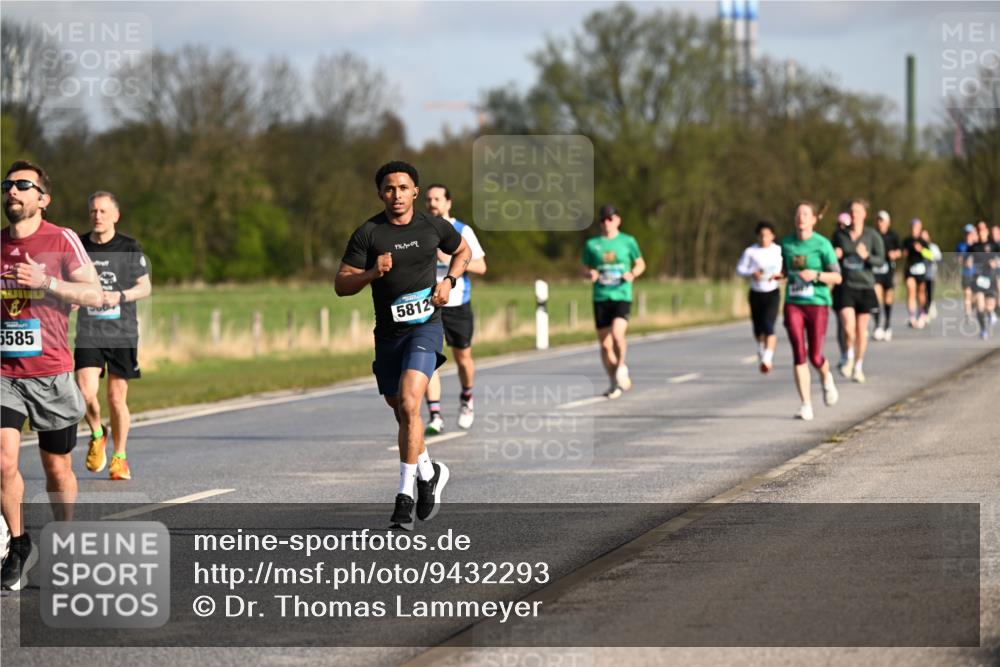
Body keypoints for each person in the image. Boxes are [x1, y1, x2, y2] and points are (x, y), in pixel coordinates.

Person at [335, 161, 471, 531]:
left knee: (412, 404)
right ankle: (429, 472)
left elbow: (463, 251)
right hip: (388, 335)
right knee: (402, 413)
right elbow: (341, 284)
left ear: (415, 192)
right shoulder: (369, 233)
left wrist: (449, 282)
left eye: (403, 188)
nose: (397, 195)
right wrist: (371, 273)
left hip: (425, 327)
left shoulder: (432, 226)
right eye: (390, 189)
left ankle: (403, 498)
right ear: (381, 193)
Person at [1, 160, 102, 590]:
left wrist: (48, 283)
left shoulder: (62, 239)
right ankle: (19, 543)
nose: (12, 190)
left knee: (57, 468)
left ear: (43, 198)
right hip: (4, 373)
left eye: (23, 185)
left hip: (51, 373)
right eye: (8, 184)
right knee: (3, 460)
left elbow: (94, 293)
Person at [75, 191, 152, 481]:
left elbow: (144, 287)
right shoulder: (79, 246)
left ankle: (119, 457)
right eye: (93, 211)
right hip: (89, 332)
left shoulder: (129, 247)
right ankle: (98, 433)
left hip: (122, 332)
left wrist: (119, 296)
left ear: (115, 216)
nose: (97, 216)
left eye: (103, 211)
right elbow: (68, 282)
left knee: (116, 398)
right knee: (84, 393)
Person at [422, 184, 486, 435]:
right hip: (428, 305)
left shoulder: (462, 230)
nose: (432, 203)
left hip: (457, 303)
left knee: (463, 358)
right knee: (428, 360)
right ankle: (435, 416)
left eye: (437, 199)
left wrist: (453, 261)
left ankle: (467, 398)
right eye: (428, 199)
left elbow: (481, 266)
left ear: (448, 203)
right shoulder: (420, 230)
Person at [780, 201, 842, 421]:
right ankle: (806, 404)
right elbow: (784, 270)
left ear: (814, 219)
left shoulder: (822, 244)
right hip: (793, 302)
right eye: (798, 214)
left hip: (817, 303)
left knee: (815, 356)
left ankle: (826, 378)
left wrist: (815, 275)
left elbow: (837, 277)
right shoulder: (786, 243)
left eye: (805, 214)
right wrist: (779, 275)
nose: (801, 218)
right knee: (799, 353)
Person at [582, 204, 645, 399]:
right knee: (605, 345)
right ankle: (613, 382)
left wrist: (632, 274)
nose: (606, 223)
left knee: (618, 335)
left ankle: (621, 367)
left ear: (617, 220)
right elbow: (585, 267)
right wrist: (590, 273)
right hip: (601, 296)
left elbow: (640, 263)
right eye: (603, 220)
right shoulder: (592, 244)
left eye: (610, 219)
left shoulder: (628, 241)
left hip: (621, 295)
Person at [831, 199, 885, 384]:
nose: (854, 215)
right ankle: (849, 356)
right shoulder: (840, 235)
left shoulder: (872, 235)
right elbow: (829, 256)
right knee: (848, 326)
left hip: (865, 286)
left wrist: (867, 256)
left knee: (862, 331)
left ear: (864, 214)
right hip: (846, 286)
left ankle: (858, 366)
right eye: (852, 211)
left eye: (858, 211)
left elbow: (881, 260)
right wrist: (835, 256)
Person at [735, 220, 783, 373]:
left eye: (767, 235)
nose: (764, 238)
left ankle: (767, 359)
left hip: (772, 292)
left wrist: (781, 275)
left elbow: (785, 268)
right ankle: (761, 347)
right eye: (761, 235)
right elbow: (739, 269)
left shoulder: (778, 250)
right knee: (758, 329)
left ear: (773, 236)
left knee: (769, 326)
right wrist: (752, 273)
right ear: (757, 236)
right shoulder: (751, 251)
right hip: (756, 293)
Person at [872, 210, 902, 341]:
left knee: (888, 298)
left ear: (888, 222)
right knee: (876, 296)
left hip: (888, 269)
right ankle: (877, 325)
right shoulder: (872, 234)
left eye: (882, 220)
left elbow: (900, 251)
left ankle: (887, 325)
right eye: (878, 220)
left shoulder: (893, 235)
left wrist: (895, 254)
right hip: (875, 270)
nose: (880, 223)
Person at [967, 220, 998, 340]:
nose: (981, 232)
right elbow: (966, 259)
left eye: (983, 230)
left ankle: (990, 313)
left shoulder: (994, 245)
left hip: (990, 278)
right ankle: (983, 329)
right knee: (980, 306)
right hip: (978, 278)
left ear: (987, 231)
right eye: (979, 230)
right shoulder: (973, 247)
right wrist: (968, 262)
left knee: (989, 306)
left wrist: (995, 262)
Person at [902, 218, 932, 329]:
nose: (915, 229)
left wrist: (921, 250)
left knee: (921, 293)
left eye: (917, 227)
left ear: (920, 228)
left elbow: (930, 255)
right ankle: (912, 317)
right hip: (910, 269)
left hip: (921, 270)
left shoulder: (923, 241)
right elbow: (902, 253)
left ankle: (922, 314)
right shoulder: (907, 240)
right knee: (911, 290)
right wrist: (903, 253)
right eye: (913, 227)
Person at [832, 212, 852, 368]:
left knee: (852, 326)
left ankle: (853, 355)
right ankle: (845, 354)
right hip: (840, 286)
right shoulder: (834, 238)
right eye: (839, 225)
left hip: (856, 285)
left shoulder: (857, 238)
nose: (841, 228)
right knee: (841, 323)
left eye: (844, 225)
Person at [956, 224, 977, 323]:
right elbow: (958, 259)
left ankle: (972, 308)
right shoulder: (961, 245)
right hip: (966, 273)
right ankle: (968, 314)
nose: (968, 235)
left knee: (975, 295)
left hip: (977, 273)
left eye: (970, 233)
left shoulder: (977, 244)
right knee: (967, 293)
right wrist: (964, 261)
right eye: (966, 233)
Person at [920, 228, 942, 321]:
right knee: (922, 294)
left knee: (929, 293)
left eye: (925, 236)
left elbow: (937, 257)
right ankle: (924, 312)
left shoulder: (933, 247)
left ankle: (929, 308)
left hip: (930, 273)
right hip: (920, 273)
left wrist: (924, 252)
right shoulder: (918, 246)